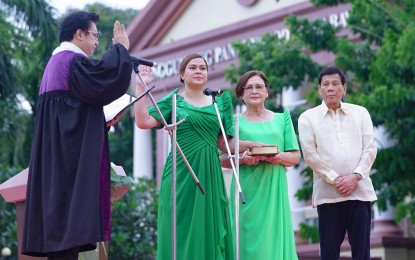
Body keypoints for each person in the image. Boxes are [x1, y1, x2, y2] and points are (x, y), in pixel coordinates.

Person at [22, 11, 133, 259]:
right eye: (94, 35)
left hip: (57, 160)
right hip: (68, 162)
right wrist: (121, 50)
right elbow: (104, 79)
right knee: (66, 228)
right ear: (79, 34)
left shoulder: (56, 64)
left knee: (61, 230)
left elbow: (77, 110)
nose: (96, 41)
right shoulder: (71, 61)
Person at [134, 53, 261, 260]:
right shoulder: (174, 101)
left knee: (209, 230)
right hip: (180, 174)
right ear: (182, 74)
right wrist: (141, 88)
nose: (199, 71)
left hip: (210, 175)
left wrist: (251, 145)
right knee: (179, 231)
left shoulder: (219, 102)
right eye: (193, 68)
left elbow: (224, 144)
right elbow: (143, 121)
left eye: (203, 68)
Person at [298, 66, 377, 260]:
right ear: (319, 89)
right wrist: (336, 179)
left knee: (362, 253)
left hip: (360, 193)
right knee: (329, 253)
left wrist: (356, 176)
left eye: (335, 84)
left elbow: (370, 149)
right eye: (325, 84)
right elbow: (310, 154)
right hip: (328, 197)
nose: (330, 88)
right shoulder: (307, 118)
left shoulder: (360, 113)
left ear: (344, 88)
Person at [220, 70, 301, 260]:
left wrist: (278, 157)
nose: (254, 91)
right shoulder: (234, 122)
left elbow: (295, 156)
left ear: (267, 92)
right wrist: (243, 159)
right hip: (245, 192)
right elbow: (222, 159)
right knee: (245, 244)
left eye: (259, 87)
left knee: (273, 246)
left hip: (274, 192)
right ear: (241, 94)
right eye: (248, 88)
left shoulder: (283, 119)